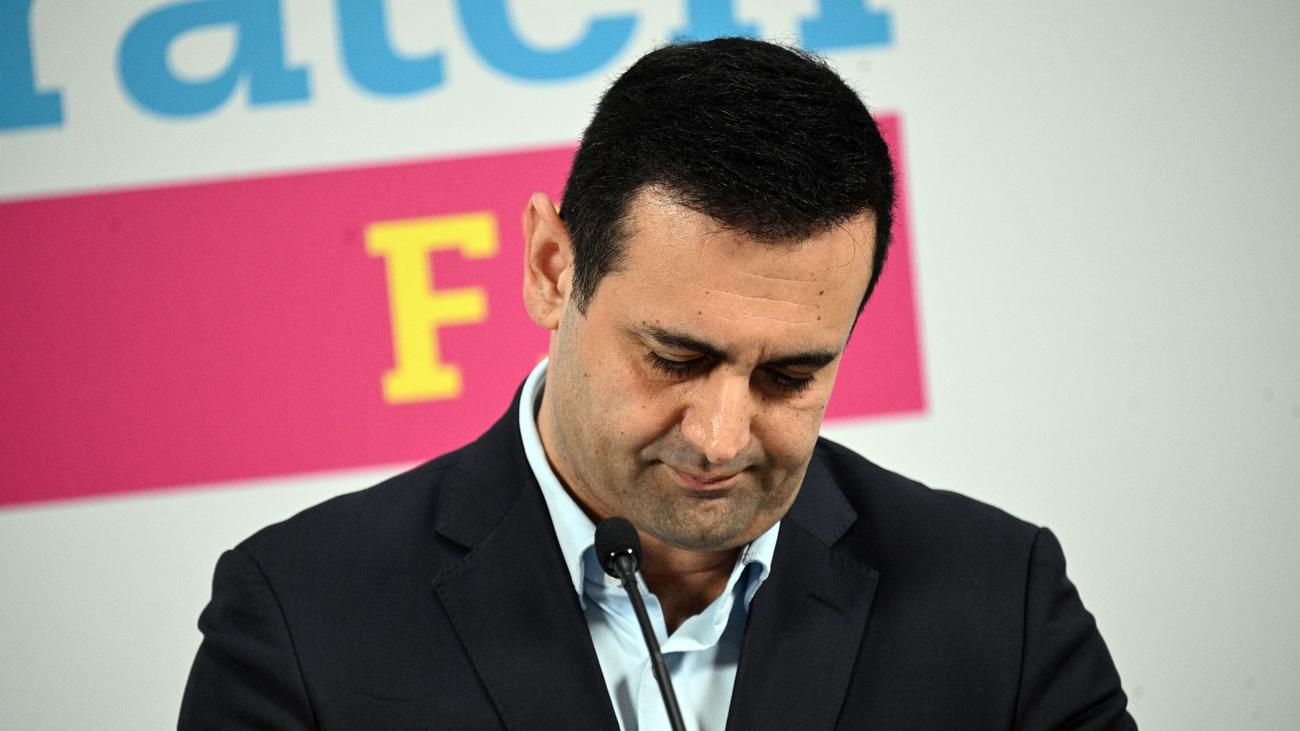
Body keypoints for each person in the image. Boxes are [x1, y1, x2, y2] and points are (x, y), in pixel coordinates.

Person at [180, 38, 1135, 729]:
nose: (721, 436)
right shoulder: (301, 616)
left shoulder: (1001, 599)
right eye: (675, 359)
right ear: (552, 269)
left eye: (790, 375)